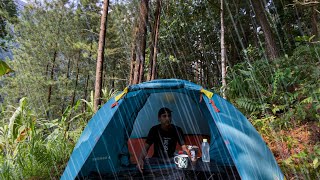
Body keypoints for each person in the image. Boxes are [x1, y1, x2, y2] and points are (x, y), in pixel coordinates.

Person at [137, 107, 189, 173]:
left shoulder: (177, 130)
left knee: (182, 165)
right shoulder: (154, 130)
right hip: (157, 159)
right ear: (159, 119)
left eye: (169, 116)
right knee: (142, 165)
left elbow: (184, 147)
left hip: (171, 159)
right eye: (164, 116)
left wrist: (190, 158)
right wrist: (140, 159)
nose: (167, 118)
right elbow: (146, 147)